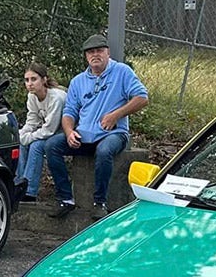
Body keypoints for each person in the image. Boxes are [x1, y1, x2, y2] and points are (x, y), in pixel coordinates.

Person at [44, 34, 148, 218]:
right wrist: (69, 132)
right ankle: (65, 199)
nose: (95, 55)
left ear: (107, 52)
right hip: (84, 135)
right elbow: (69, 112)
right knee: (52, 146)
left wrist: (116, 115)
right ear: (86, 56)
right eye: (91, 52)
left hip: (114, 133)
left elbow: (142, 98)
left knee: (104, 150)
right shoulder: (78, 81)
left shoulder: (122, 71)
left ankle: (100, 202)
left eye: (99, 51)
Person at [14, 62, 66, 203]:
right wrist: (20, 135)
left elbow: (50, 129)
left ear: (44, 80)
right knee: (21, 144)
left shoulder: (56, 98)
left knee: (36, 146)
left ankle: (30, 192)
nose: (29, 83)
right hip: (49, 132)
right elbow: (32, 121)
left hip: (64, 133)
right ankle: (18, 186)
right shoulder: (32, 96)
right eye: (27, 80)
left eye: (34, 79)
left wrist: (28, 137)